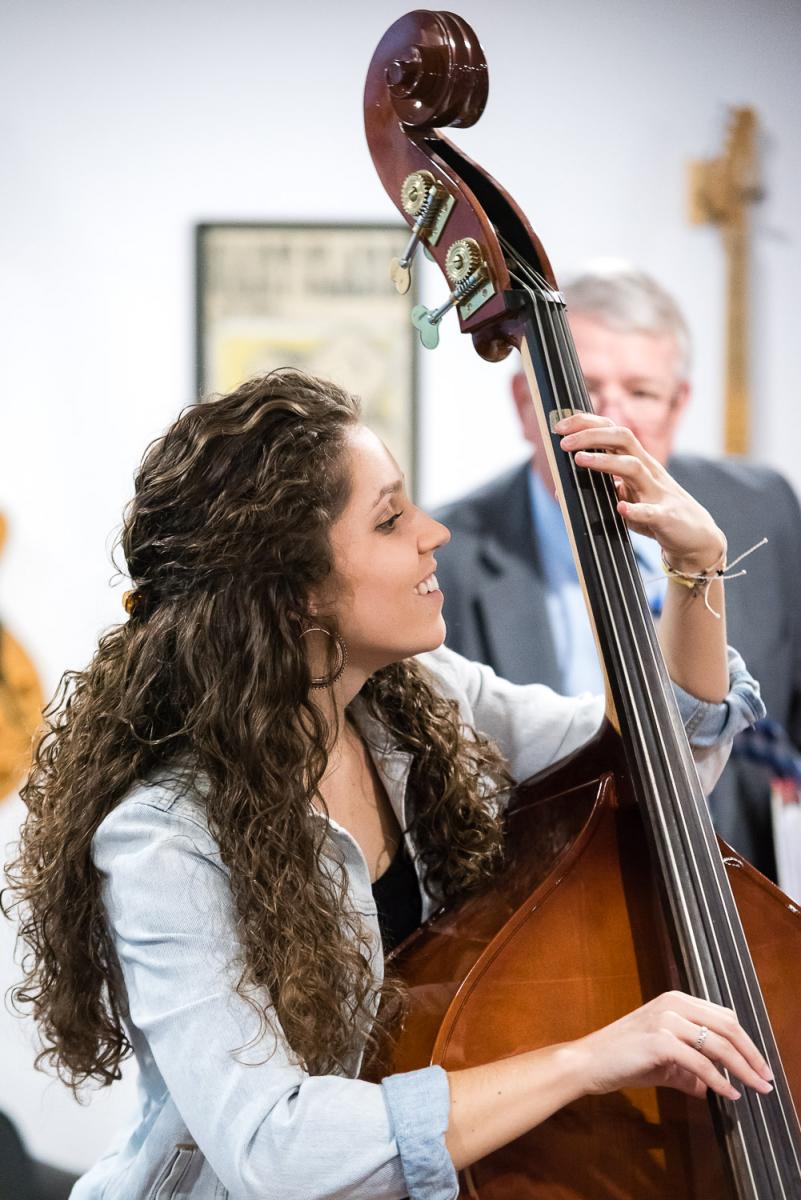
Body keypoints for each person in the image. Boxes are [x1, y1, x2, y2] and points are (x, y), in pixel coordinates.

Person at [3, 370, 771, 1200]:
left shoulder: (422, 698)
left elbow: (661, 767)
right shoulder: (166, 839)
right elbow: (276, 1151)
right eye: (391, 517)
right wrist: (585, 1060)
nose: (434, 533)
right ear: (291, 592)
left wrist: (696, 570)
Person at [435, 264, 801, 880]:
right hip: (541, 897)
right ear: (527, 404)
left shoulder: (763, 507)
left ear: (679, 403)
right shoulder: (447, 552)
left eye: (642, 392)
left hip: (738, 903)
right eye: (586, 392)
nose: (612, 421)